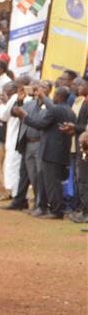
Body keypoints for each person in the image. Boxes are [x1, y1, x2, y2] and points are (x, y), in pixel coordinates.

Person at [13, 85, 77, 218]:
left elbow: (40, 124)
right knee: (51, 181)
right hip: (61, 150)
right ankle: (49, 208)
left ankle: (56, 211)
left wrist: (25, 116)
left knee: (52, 183)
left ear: (58, 96)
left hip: (51, 151)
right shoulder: (70, 110)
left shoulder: (55, 110)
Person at [1, 79, 44, 212]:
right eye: (33, 88)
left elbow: (39, 123)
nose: (34, 91)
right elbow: (14, 113)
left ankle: (39, 204)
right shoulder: (29, 103)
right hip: (26, 142)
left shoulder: (46, 105)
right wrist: (19, 101)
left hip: (38, 143)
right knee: (23, 173)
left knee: (36, 175)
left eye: (38, 88)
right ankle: (19, 201)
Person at [66, 79, 88, 222]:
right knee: (80, 179)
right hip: (81, 143)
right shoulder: (84, 102)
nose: (79, 87)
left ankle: (85, 212)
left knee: (84, 179)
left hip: (85, 144)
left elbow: (85, 127)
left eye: (82, 84)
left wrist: (75, 128)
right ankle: (84, 210)